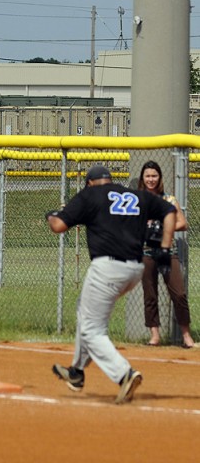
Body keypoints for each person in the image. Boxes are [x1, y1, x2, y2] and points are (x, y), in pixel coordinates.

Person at [46, 165, 177, 404]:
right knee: (84, 312)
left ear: (90, 182)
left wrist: (50, 216)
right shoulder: (137, 195)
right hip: (135, 270)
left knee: (92, 329)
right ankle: (76, 371)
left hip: (107, 268)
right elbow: (170, 212)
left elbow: (59, 226)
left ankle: (124, 374)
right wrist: (165, 250)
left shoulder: (90, 194)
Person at [138, 160, 195, 348]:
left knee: (178, 294)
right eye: (147, 176)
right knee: (150, 294)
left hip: (168, 251)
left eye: (154, 175)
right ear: (142, 178)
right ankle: (154, 336)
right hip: (146, 252)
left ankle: (187, 337)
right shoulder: (137, 199)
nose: (151, 179)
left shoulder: (168, 200)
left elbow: (183, 223)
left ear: (160, 177)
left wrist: (163, 230)